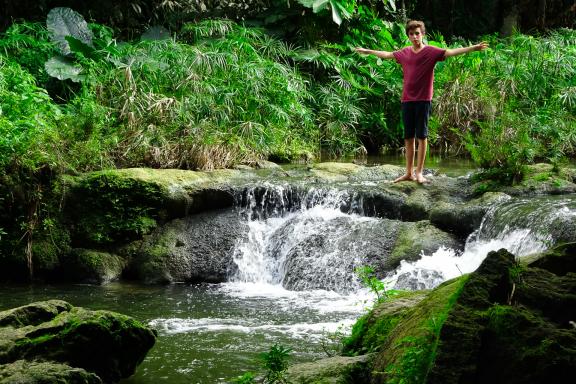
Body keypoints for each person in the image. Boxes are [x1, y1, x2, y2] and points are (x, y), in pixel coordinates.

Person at [355, 20, 488, 183]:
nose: (415, 37)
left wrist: (473, 47)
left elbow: (451, 52)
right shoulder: (404, 53)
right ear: (409, 36)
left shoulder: (431, 52)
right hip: (407, 100)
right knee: (408, 137)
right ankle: (408, 172)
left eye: (417, 33)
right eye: (411, 34)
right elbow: (387, 54)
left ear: (423, 34)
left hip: (423, 100)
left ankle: (419, 172)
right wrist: (367, 51)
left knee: (422, 136)